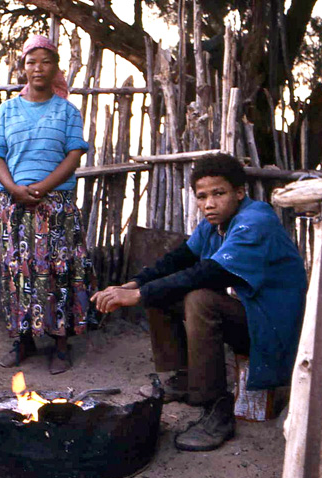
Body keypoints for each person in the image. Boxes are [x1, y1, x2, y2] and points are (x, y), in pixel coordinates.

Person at [91, 153, 306, 451]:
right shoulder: (213, 223)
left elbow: (210, 273)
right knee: (161, 290)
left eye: (219, 193)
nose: (209, 204)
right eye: (202, 196)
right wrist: (135, 284)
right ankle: (185, 378)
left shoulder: (256, 221)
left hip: (272, 325)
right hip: (250, 313)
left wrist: (138, 295)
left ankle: (215, 408)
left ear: (239, 193)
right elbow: (180, 258)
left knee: (200, 299)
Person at [0, 35, 95, 375]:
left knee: (59, 273)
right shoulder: (7, 110)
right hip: (16, 209)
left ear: (56, 68)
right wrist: (13, 189)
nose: (38, 68)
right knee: (20, 273)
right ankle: (23, 341)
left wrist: (43, 188)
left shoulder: (67, 111)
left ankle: (60, 344)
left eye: (45, 61)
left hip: (56, 207)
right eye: (31, 61)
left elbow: (74, 154)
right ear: (23, 67)